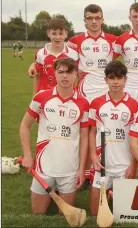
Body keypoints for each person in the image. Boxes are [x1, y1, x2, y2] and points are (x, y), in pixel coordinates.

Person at [19, 58, 89, 214]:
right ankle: (50, 192)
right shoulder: (41, 97)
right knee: (38, 212)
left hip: (69, 170)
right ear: (54, 74)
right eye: (61, 72)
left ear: (76, 74)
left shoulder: (84, 103)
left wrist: (81, 169)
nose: (65, 76)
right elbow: (25, 126)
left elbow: (84, 137)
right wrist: (27, 156)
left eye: (69, 72)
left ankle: (58, 190)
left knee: (64, 214)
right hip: (43, 168)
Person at [68, 4, 119, 184]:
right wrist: (34, 64)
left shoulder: (113, 40)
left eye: (97, 18)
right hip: (84, 91)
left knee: (102, 131)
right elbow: (64, 61)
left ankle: (101, 168)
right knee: (83, 131)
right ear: (85, 21)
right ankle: (82, 171)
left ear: (103, 19)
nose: (94, 21)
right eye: (90, 18)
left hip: (106, 91)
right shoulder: (76, 40)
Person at [87, 60, 138, 216]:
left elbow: (136, 139)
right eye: (111, 78)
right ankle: (109, 193)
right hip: (102, 164)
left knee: (124, 213)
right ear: (106, 80)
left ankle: (112, 194)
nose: (115, 82)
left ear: (125, 79)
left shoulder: (134, 105)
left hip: (124, 165)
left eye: (119, 78)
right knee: (95, 213)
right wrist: (93, 155)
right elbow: (91, 131)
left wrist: (133, 165)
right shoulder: (96, 103)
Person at [27, 18, 79, 93]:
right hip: (44, 98)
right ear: (48, 33)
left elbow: (78, 76)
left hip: (65, 98)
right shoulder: (40, 53)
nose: (57, 37)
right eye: (54, 33)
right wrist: (35, 98)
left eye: (61, 33)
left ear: (66, 34)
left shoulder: (73, 54)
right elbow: (37, 78)